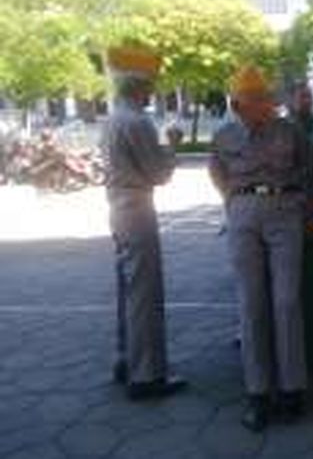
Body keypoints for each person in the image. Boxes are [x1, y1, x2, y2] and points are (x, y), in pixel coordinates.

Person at [209, 66, 310, 432]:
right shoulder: (223, 135)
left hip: (284, 211)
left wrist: (303, 207)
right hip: (242, 215)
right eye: (257, 100)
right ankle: (258, 394)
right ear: (238, 104)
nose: (266, 105)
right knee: (251, 303)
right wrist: (234, 202)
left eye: (267, 98)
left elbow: (308, 168)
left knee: (286, 301)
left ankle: (293, 389)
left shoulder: (289, 130)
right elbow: (216, 171)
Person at [102, 45, 186, 400]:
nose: (153, 89)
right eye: (150, 83)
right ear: (138, 85)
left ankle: (127, 359)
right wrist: (172, 145)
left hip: (119, 206)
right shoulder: (137, 122)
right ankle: (147, 374)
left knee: (128, 288)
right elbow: (158, 173)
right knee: (144, 292)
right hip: (137, 207)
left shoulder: (113, 118)